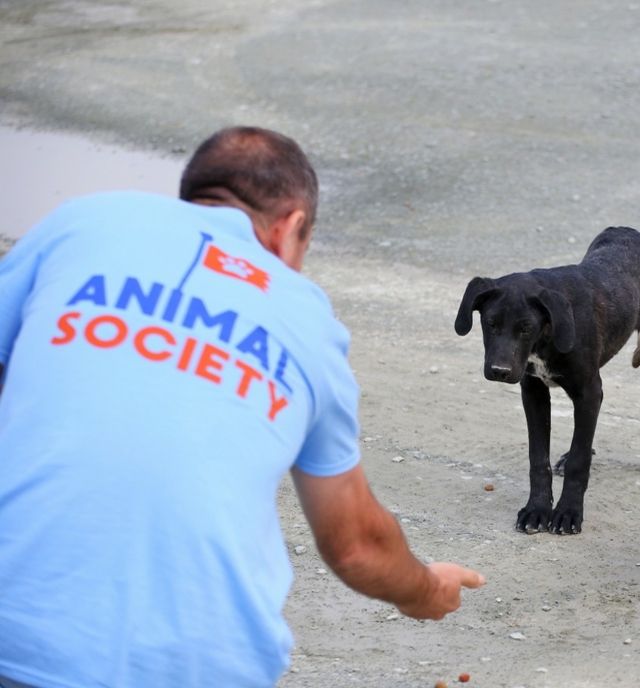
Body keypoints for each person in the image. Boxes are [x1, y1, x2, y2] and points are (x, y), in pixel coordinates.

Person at [0, 126, 485, 687]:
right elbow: (356, 546)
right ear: (291, 227)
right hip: (196, 665)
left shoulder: (84, 223)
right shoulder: (306, 318)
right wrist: (426, 589)